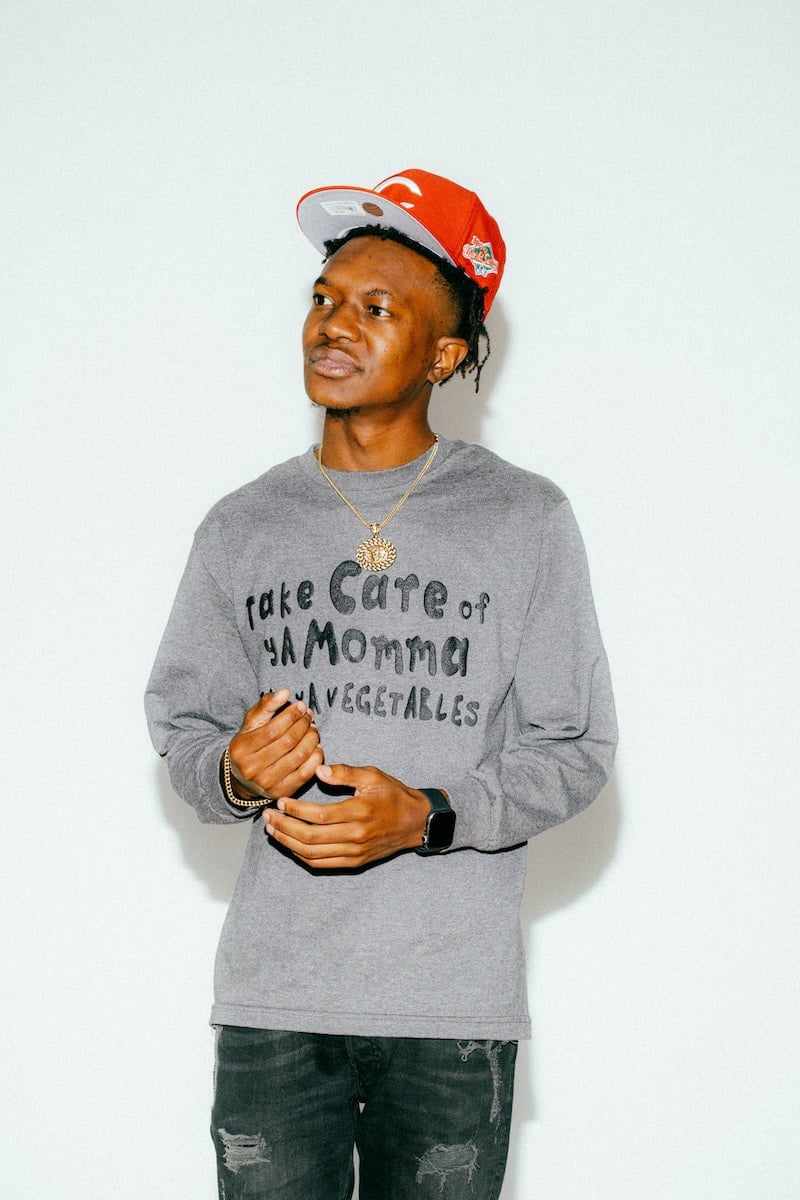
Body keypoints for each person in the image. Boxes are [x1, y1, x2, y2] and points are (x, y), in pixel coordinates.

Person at [145, 168, 617, 1199]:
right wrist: (229, 769)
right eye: (322, 300)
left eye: (375, 307)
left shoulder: (523, 520)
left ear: (445, 353)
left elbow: (572, 749)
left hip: (449, 1007)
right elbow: (181, 727)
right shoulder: (242, 525)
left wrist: (428, 816)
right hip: (275, 995)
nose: (333, 326)